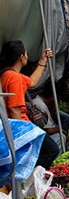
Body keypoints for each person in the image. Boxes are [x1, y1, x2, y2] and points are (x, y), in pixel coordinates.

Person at [0, 40, 59, 168]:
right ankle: (29, 176)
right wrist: (24, 133)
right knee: (52, 150)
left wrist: (42, 62)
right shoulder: (13, 77)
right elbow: (14, 109)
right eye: (26, 53)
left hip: (16, 125)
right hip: (21, 125)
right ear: (21, 57)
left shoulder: (7, 74)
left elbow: (32, 82)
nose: (27, 56)